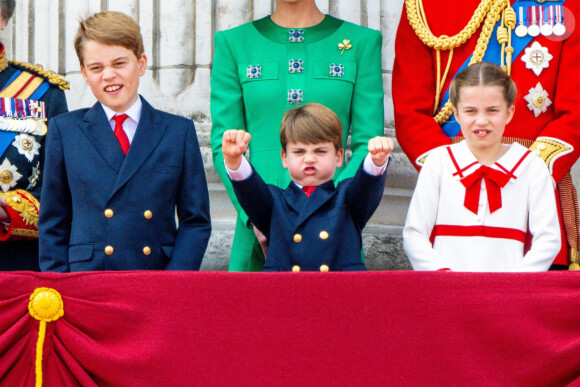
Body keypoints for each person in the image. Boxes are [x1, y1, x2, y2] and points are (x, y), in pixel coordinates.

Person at [393, 0, 580, 270]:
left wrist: (527, 174)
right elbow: (410, 113)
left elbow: (574, 113)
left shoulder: (568, 3)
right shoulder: (424, 6)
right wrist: (452, 173)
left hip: (534, 196)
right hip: (452, 203)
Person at [211, 0, 384, 271]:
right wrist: (255, 216)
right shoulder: (233, 43)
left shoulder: (361, 42)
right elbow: (225, 145)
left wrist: (338, 209)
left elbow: (368, 144)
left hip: (334, 230)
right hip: (257, 228)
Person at [38, 11, 211, 272]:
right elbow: (53, 220)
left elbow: (195, 221)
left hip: (155, 276)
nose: (108, 75)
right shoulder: (66, 130)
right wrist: (60, 287)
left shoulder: (178, 132)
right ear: (84, 73)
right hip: (88, 280)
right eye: (96, 67)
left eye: (119, 63)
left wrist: (175, 282)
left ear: (141, 64)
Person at [403, 62, 560, 272]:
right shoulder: (438, 162)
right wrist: (442, 277)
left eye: (492, 110)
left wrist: (514, 284)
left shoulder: (532, 166)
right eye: (470, 111)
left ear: (509, 112)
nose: (481, 120)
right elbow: (414, 233)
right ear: (456, 114)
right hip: (446, 291)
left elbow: (548, 239)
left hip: (507, 295)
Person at [222, 103, 392, 272]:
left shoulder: (347, 197)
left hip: (341, 293)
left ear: (339, 157)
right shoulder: (274, 201)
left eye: (320, 151)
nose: (309, 159)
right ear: (284, 158)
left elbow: (367, 186)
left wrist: (376, 160)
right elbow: (250, 190)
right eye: (299, 152)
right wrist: (234, 160)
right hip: (286, 293)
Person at [0, 0, 69, 271]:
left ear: (3, 18)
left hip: (13, 261)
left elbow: (62, 183)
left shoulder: (43, 92)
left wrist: (9, 210)